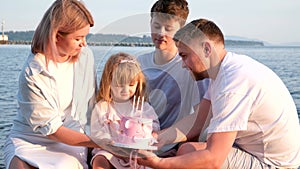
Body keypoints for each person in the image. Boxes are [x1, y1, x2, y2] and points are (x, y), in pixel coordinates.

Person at [137, 18, 300, 168]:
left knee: (188, 154)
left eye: (185, 56)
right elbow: (198, 122)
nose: (183, 65)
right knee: (187, 150)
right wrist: (156, 139)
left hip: (273, 164)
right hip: (257, 152)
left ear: (206, 49)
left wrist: (158, 163)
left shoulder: (233, 83)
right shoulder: (225, 71)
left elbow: (214, 159)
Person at [3, 0, 100, 168]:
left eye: (85, 37)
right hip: (28, 139)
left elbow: (92, 105)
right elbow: (53, 131)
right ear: (56, 36)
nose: (83, 43)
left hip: (72, 139)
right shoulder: (32, 72)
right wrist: (101, 143)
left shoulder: (85, 57)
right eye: (78, 38)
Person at [137, 0, 209, 157]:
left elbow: (201, 117)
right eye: (156, 26)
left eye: (168, 29)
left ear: (181, 29)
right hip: (137, 141)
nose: (161, 33)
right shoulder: (138, 63)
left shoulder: (190, 66)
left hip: (172, 145)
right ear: (150, 23)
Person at [90, 52, 160, 169]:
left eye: (131, 85)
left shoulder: (143, 107)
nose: (125, 90)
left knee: (150, 161)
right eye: (119, 85)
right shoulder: (102, 107)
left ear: (138, 84)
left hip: (136, 152)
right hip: (111, 152)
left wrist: (146, 131)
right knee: (100, 160)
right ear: (109, 82)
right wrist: (108, 142)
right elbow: (96, 132)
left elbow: (155, 127)